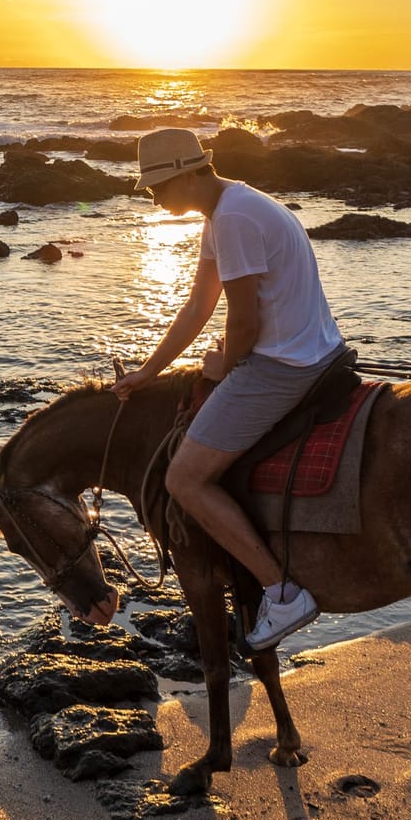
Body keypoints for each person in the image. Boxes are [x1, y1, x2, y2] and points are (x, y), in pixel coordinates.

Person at [114, 127, 346, 650]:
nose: (154, 199)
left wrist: (225, 366)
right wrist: (149, 371)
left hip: (285, 364)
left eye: (157, 188)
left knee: (184, 478)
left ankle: (282, 592)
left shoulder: (234, 219)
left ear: (188, 175)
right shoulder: (225, 210)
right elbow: (199, 305)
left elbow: (242, 321)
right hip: (308, 348)